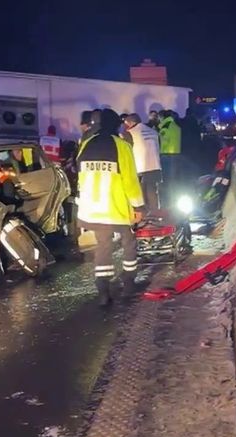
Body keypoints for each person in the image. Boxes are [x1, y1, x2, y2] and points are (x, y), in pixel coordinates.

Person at [77, 108, 145, 306]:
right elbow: (130, 181)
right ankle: (129, 281)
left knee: (103, 245)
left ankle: (103, 290)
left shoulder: (86, 144)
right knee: (129, 241)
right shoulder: (121, 146)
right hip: (115, 207)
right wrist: (138, 207)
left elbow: (81, 178)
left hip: (92, 208)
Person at [123, 113, 163, 210]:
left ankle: (145, 218)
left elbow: (126, 150)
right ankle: (155, 216)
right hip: (155, 167)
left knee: (141, 196)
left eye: (126, 124)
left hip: (140, 168)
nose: (125, 127)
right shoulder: (153, 132)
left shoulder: (130, 133)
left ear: (131, 123)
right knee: (153, 193)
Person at [158, 110, 183, 197]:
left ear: (162, 117)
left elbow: (163, 141)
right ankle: (175, 196)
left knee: (166, 179)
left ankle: (168, 198)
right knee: (174, 178)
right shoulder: (175, 124)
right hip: (176, 153)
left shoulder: (165, 126)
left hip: (167, 154)